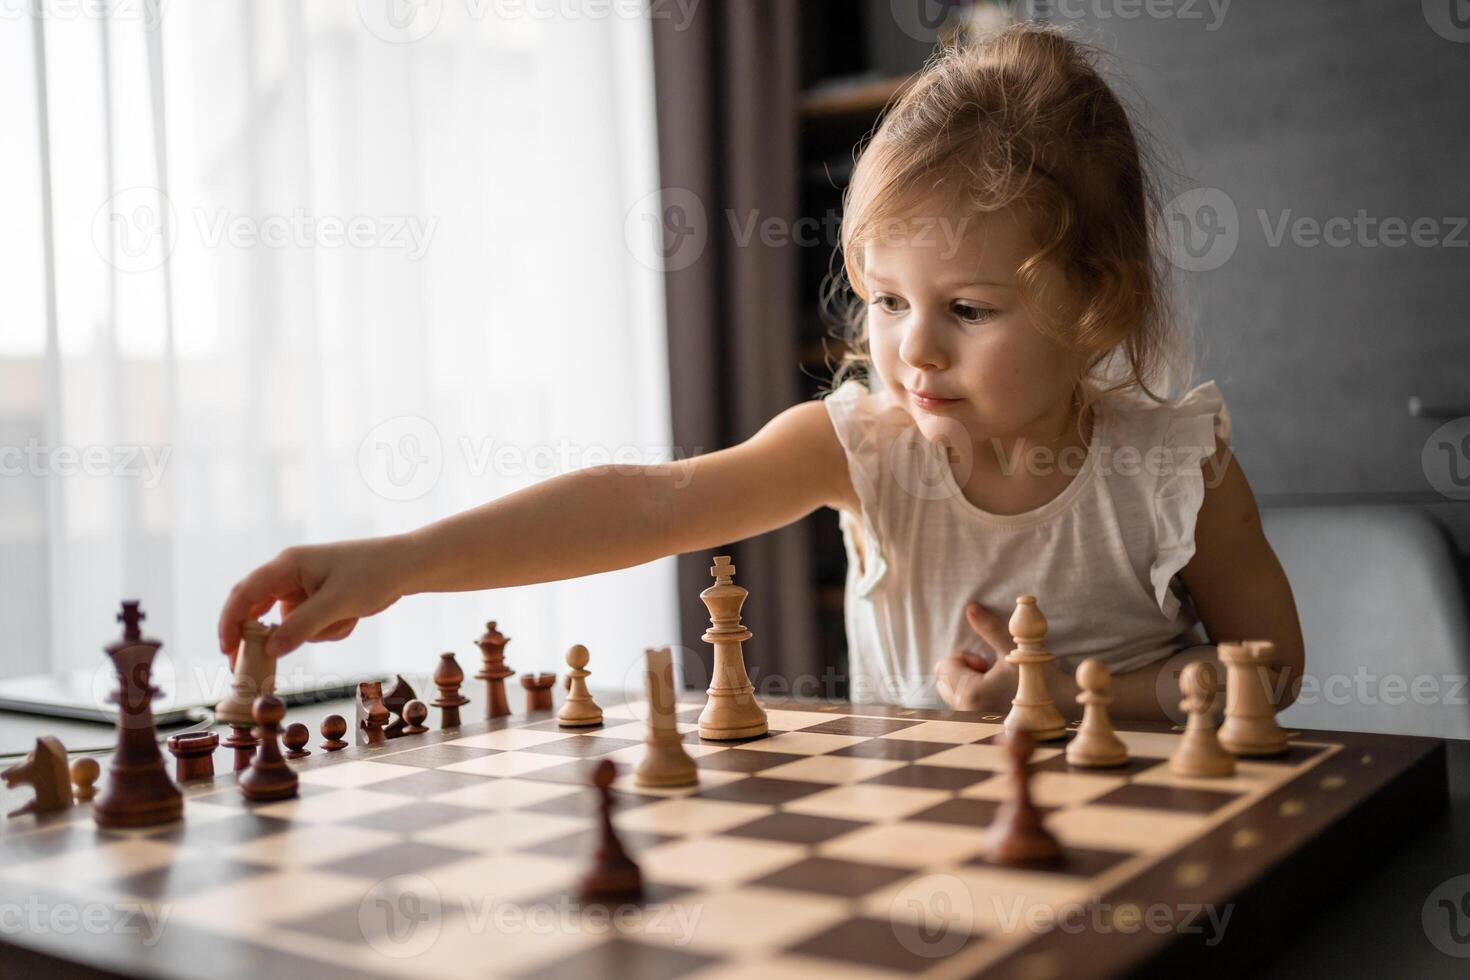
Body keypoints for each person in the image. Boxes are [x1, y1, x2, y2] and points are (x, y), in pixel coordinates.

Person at [218, 23, 1304, 722]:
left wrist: (1081, 694)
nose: (912, 349)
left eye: (968, 309)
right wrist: (403, 560)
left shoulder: (1174, 468)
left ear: (1100, 301)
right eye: (886, 301)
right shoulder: (865, 445)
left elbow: (1274, 667)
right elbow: (650, 505)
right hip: (920, 859)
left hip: (1139, 860)